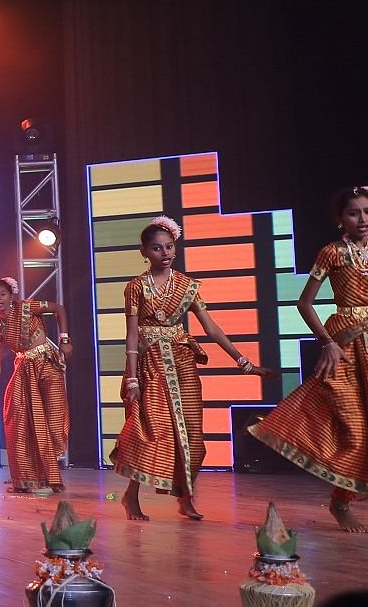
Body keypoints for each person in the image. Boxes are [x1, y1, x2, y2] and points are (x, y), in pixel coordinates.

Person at [250, 187, 368, 532]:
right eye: (354, 213)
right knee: (355, 430)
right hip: (346, 344)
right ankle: (340, 502)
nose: (362, 219)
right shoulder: (331, 253)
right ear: (340, 219)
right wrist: (326, 342)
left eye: (367, 212)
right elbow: (304, 303)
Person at [113, 216, 273, 520]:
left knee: (193, 440)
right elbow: (132, 334)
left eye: (170, 246)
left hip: (183, 364)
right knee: (152, 433)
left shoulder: (187, 286)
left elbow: (211, 328)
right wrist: (132, 377)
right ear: (144, 251)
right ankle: (130, 496)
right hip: (150, 366)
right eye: (157, 248)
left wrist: (243, 361)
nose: (165, 253)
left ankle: (185, 498)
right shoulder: (135, 287)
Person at [0, 276, 71, 496]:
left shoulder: (29, 307)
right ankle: (32, 479)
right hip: (23, 372)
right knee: (19, 421)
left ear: (11, 295)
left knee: (54, 420)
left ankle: (51, 470)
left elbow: (59, 309)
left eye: (2, 294)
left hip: (47, 366)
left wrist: (65, 340)